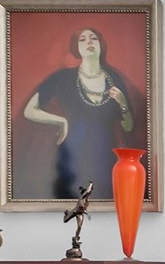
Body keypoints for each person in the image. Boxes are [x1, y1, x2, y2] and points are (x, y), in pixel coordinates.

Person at [20, 27, 140, 199]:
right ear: (76, 48)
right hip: (71, 156)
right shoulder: (63, 78)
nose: (89, 42)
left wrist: (122, 102)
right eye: (82, 39)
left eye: (93, 38)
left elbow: (128, 127)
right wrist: (61, 121)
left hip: (104, 156)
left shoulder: (114, 78)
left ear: (101, 44)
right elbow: (29, 111)